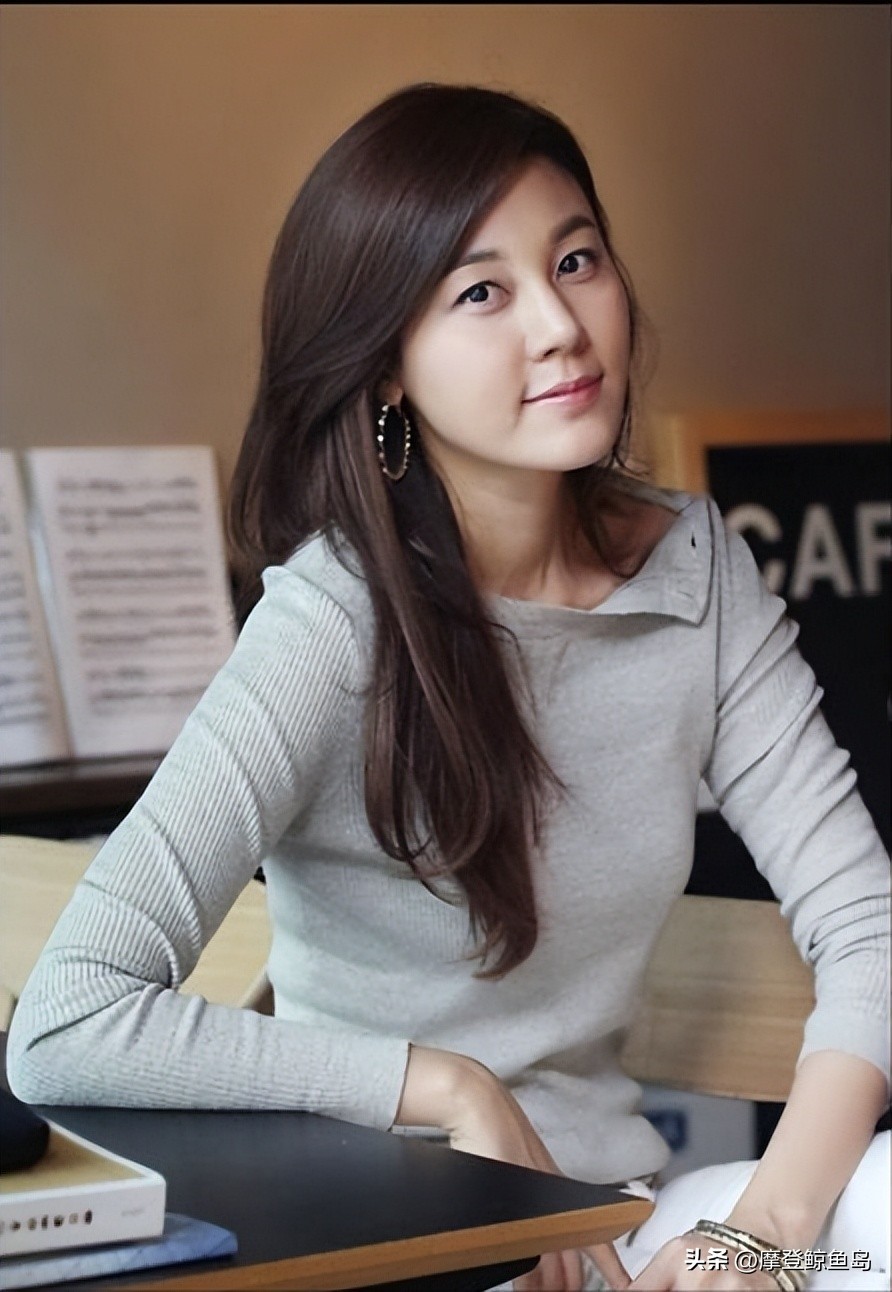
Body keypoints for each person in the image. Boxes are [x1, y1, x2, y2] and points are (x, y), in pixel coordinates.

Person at [7, 83, 890, 1292]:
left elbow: (867, 924)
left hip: (618, 1225)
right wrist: (445, 1085)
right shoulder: (332, 621)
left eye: (575, 259)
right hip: (397, 1233)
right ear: (385, 369)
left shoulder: (698, 578)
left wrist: (763, 1233)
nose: (560, 325)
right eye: (482, 292)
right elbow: (68, 1015)